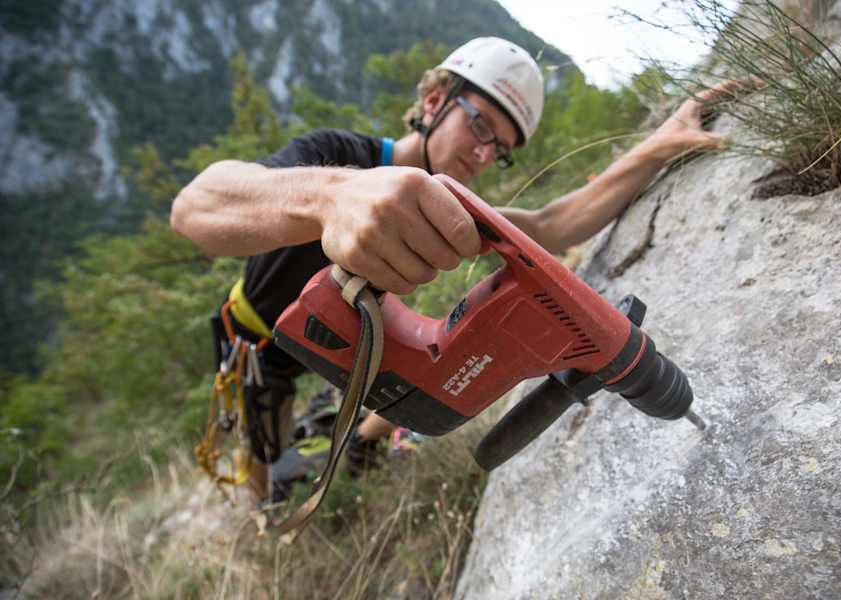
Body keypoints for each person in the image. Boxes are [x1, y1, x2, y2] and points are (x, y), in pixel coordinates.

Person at [171, 37, 744, 502]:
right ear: (434, 100)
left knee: (364, 424)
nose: (485, 154)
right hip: (257, 345)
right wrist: (332, 196)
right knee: (265, 470)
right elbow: (194, 208)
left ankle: (359, 445)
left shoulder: (445, 208)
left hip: (340, 347)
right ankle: (266, 517)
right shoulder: (337, 155)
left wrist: (660, 145)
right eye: (480, 126)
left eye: (503, 149)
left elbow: (550, 225)